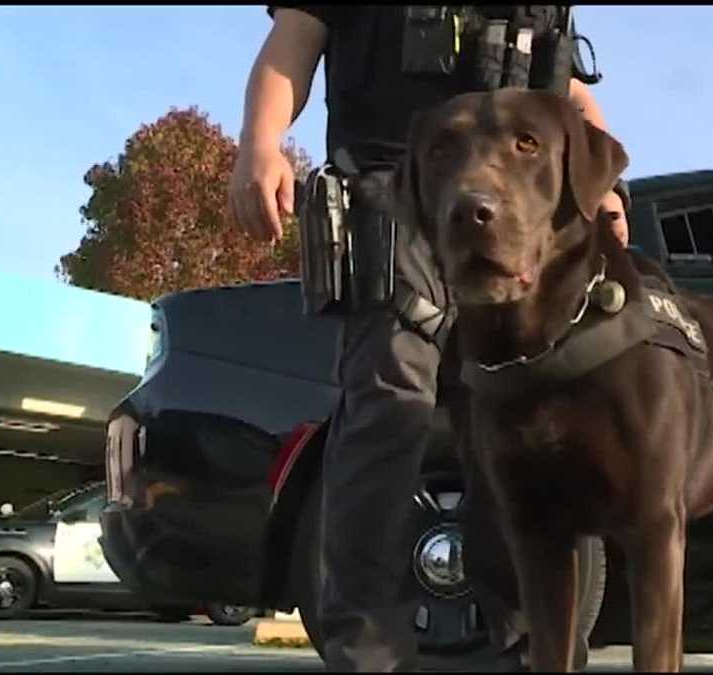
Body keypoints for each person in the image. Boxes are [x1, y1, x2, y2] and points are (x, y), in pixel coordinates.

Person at [229, 6, 629, 672]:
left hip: (513, 224)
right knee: (388, 413)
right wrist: (260, 142)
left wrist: (603, 185)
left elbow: (564, 89)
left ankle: (526, 645)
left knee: (520, 432)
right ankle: (369, 653)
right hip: (396, 199)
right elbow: (291, 43)